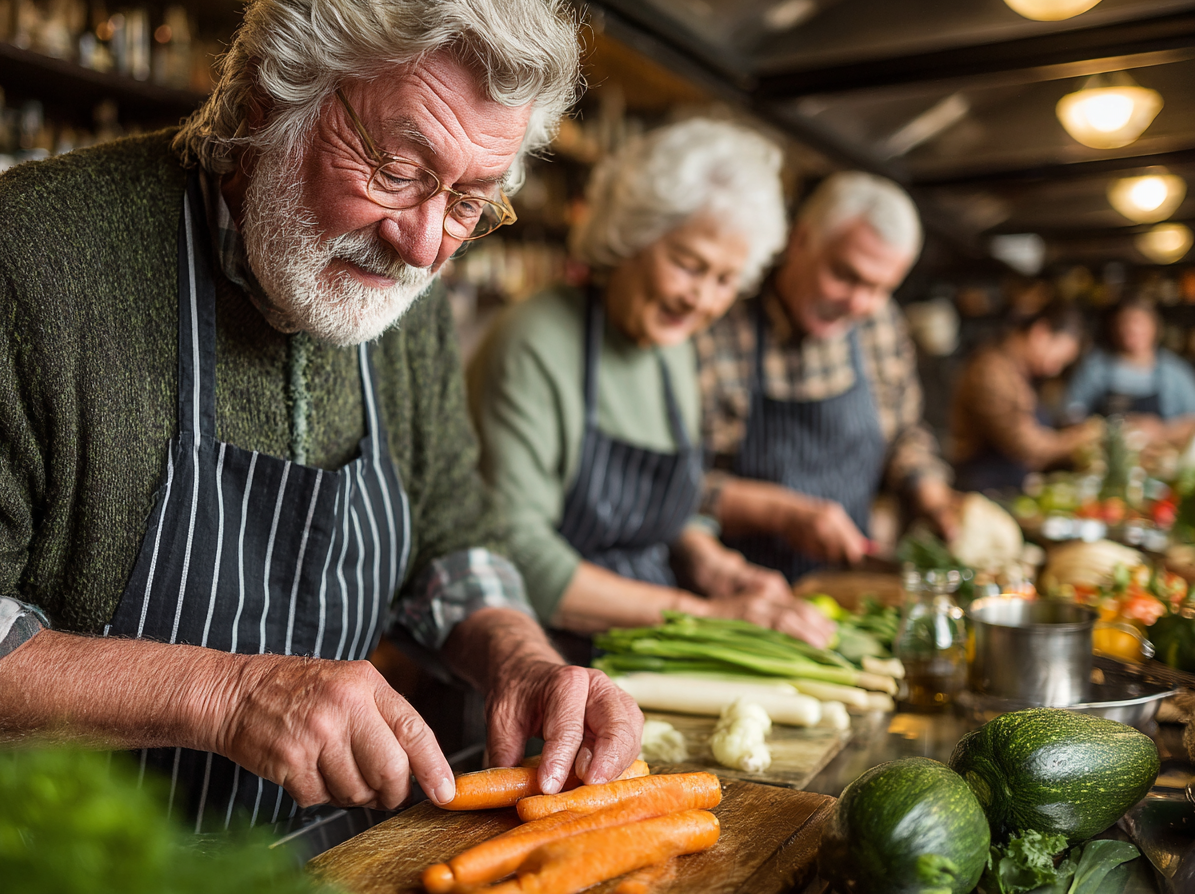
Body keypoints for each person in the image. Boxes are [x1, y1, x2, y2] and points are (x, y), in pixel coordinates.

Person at [0, 0, 643, 843]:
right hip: (35, 860)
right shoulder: (22, 259)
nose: (423, 247)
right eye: (398, 170)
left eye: (468, 202)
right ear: (270, 102)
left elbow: (451, 538)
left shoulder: (409, 306)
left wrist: (519, 658)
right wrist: (228, 697)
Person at [468, 119, 834, 653]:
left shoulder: (673, 350)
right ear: (631, 236)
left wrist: (711, 562)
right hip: (539, 658)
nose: (702, 300)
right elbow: (516, 551)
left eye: (725, 279)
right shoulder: (535, 339)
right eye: (689, 266)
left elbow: (660, 511)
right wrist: (709, 615)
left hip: (649, 650)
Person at [697, 172, 961, 582]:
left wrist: (933, 495)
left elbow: (904, 432)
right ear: (800, 240)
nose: (859, 303)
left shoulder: (881, 325)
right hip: (734, 587)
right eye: (845, 275)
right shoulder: (719, 326)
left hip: (848, 584)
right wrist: (781, 514)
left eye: (880, 288)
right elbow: (677, 487)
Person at [950, 301, 1097, 494]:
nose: (1054, 369)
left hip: (1007, 486)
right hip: (983, 489)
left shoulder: (1018, 371)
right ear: (1040, 334)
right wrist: (1079, 440)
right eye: (1058, 359)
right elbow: (1024, 445)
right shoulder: (990, 372)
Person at [1065, 296, 1195, 446]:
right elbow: (1070, 416)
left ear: (1155, 326)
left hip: (1161, 459)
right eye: (1125, 322)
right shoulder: (1096, 368)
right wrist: (1108, 430)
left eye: (1139, 322)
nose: (1132, 329)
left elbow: (1192, 421)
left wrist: (1162, 431)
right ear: (1114, 328)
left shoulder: (1174, 371)